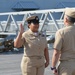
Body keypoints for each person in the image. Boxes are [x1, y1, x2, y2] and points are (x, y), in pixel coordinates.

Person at [51, 8, 75, 75]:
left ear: (66, 19)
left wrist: (53, 67)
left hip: (66, 65)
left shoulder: (61, 32)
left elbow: (56, 52)